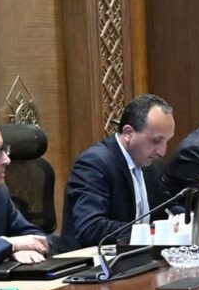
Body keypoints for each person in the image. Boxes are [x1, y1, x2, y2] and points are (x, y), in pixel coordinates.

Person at [63, 94, 176, 248]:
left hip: (139, 256)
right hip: (93, 258)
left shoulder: (154, 166)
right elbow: (91, 228)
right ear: (129, 133)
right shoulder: (94, 164)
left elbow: (167, 207)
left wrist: (184, 218)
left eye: (167, 141)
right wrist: (150, 232)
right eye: (156, 140)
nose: (162, 151)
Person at [0, 119, 49, 266]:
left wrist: (23, 249)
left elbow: (34, 236)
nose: (6, 160)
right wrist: (10, 245)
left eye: (3, 149)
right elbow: (13, 243)